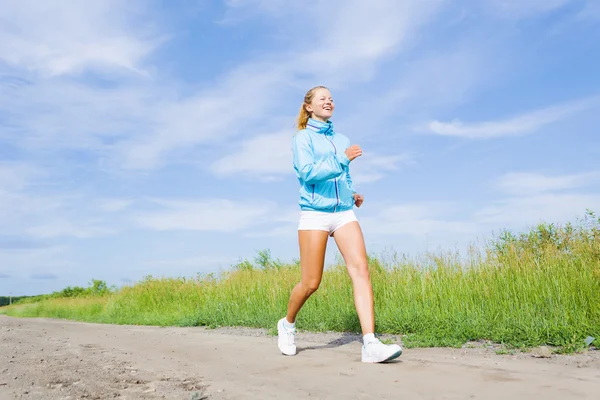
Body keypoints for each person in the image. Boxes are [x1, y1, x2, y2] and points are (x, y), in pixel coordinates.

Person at [276, 85, 403, 363]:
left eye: (331, 98)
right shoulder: (302, 138)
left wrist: (351, 193)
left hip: (344, 212)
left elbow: (341, 177)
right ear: (309, 106)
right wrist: (342, 158)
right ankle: (287, 324)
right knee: (311, 282)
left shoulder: (341, 137)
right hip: (315, 213)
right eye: (323, 98)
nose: (329, 101)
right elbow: (308, 173)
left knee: (361, 270)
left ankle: (370, 343)